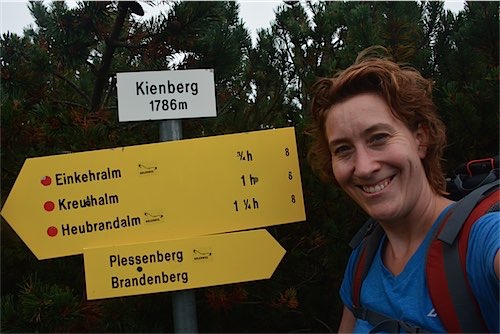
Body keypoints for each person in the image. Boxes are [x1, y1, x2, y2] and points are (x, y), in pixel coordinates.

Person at [306, 46, 499, 333]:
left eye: (379, 138)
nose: (364, 167)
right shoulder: (363, 261)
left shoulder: (481, 240)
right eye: (343, 149)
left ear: (420, 139)